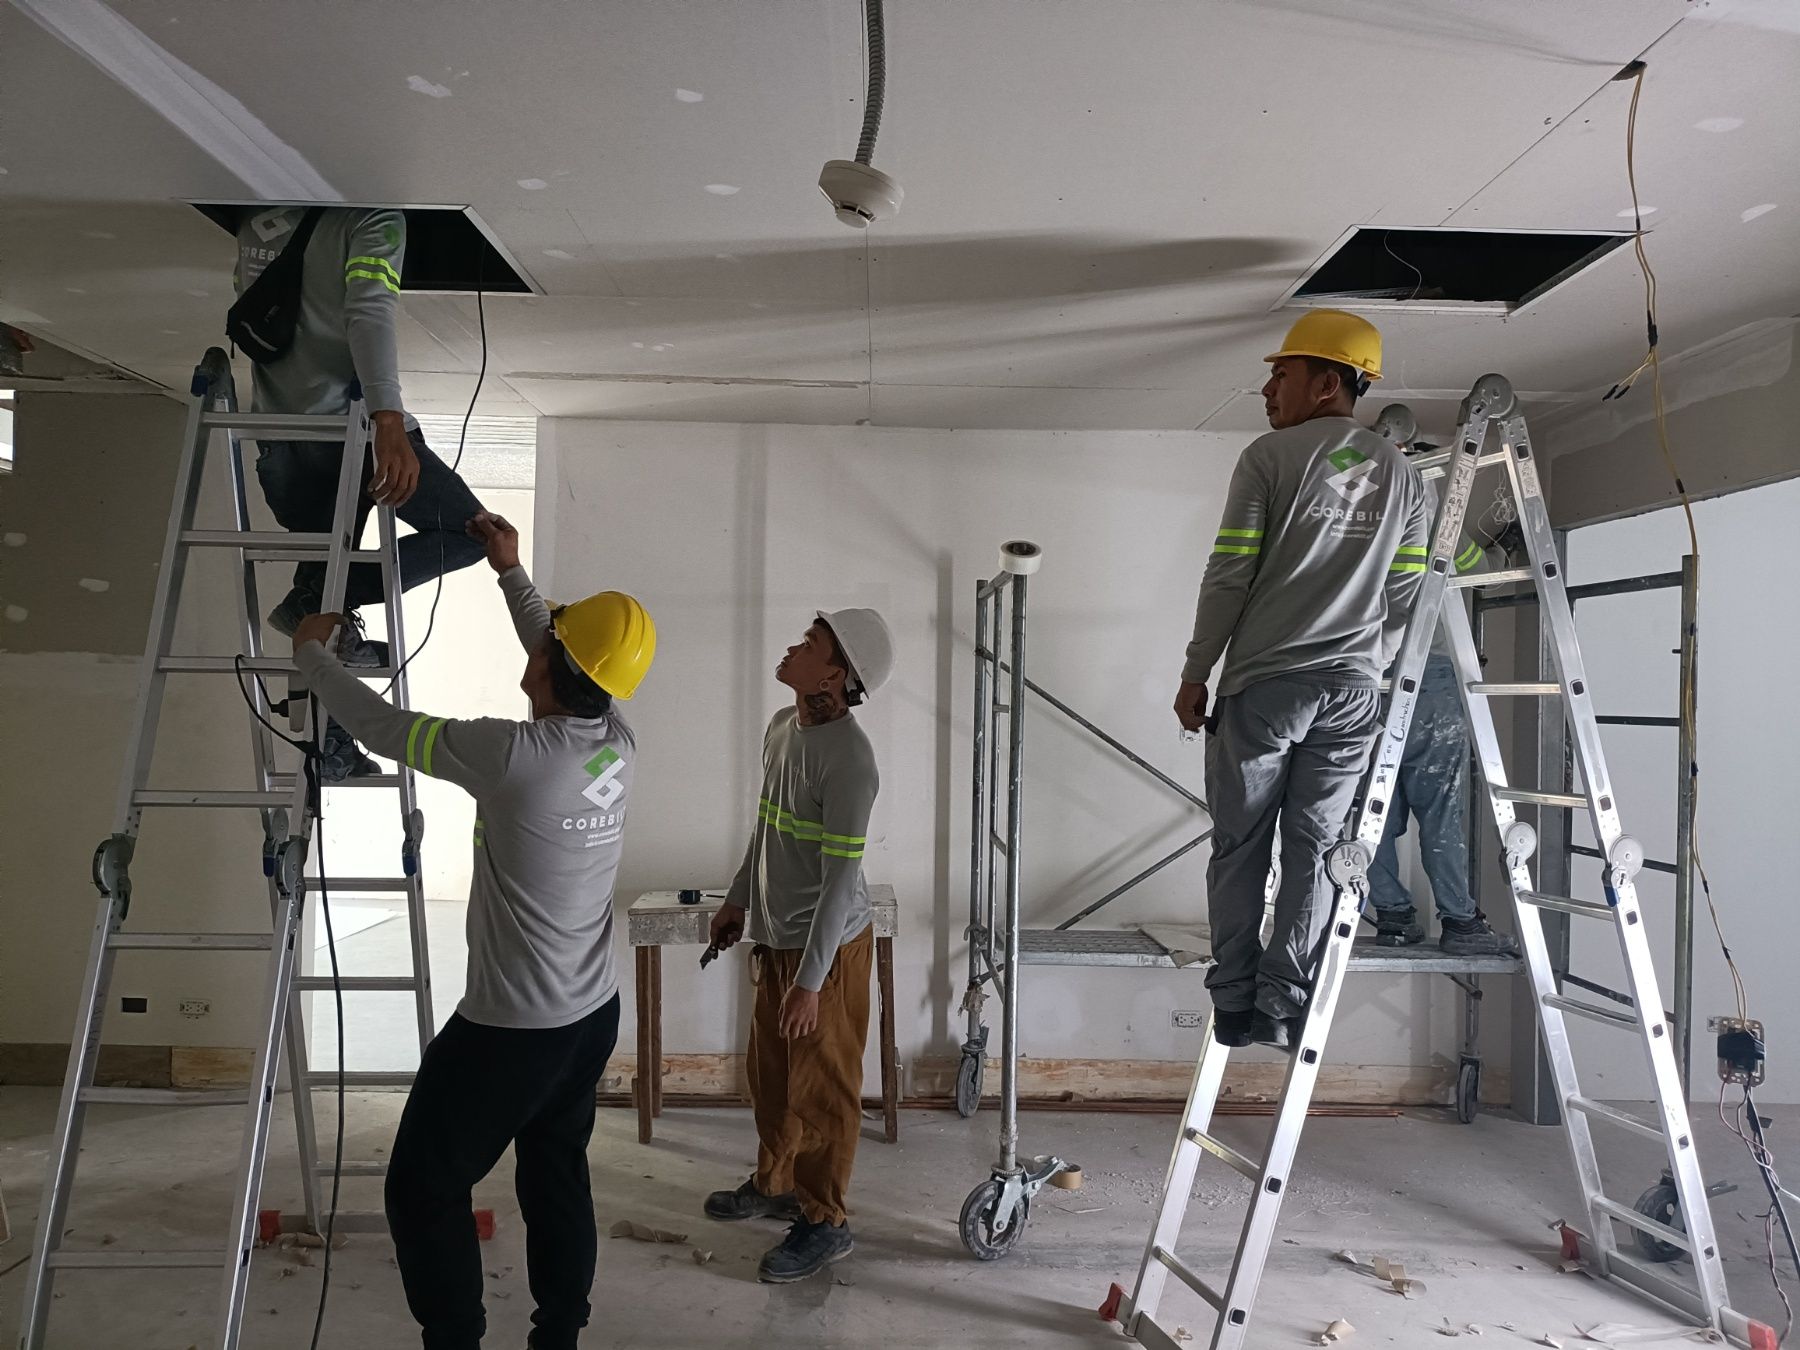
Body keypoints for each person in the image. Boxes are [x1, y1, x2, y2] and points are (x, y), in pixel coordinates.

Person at [289, 512, 655, 1350]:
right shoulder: (617, 742)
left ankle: (453, 1341)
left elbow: (383, 729)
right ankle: (558, 1335)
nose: (540, 643)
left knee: (420, 1188)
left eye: (549, 641)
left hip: (511, 1033)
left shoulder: (512, 755)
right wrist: (509, 573)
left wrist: (312, 658)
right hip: (590, 1017)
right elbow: (564, 649)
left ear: (553, 668)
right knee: (556, 1174)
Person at [1173, 311, 1430, 1050]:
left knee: (1240, 847)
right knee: (1315, 852)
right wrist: (1369, 667)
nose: (1266, 388)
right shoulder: (1405, 478)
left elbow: (1229, 575)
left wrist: (1197, 671)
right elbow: (1407, 597)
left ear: (1327, 383)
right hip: (1352, 694)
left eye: (1280, 374)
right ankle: (1285, 1001)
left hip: (1265, 689)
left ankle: (1234, 1003)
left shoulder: (1267, 459)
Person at [232, 205, 488, 776]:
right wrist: (389, 422)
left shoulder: (260, 221)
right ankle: (320, 598)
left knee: (328, 594)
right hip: (347, 434)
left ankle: (321, 603)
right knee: (473, 533)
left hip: (281, 449)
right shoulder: (374, 220)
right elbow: (368, 312)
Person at [702, 607, 894, 1283]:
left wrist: (812, 983)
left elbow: (840, 880)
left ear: (837, 673)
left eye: (810, 644)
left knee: (825, 1091)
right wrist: (738, 898)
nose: (794, 646)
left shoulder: (851, 763)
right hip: (779, 936)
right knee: (774, 1077)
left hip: (828, 950)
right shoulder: (783, 728)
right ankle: (776, 1183)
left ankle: (826, 1221)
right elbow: (768, 826)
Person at [1365, 414, 1519, 957]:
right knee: (1440, 805)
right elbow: (1466, 560)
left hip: (1365, 676)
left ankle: (1392, 914)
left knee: (1370, 807)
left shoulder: (1352, 493)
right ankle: (1459, 922)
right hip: (1426, 673)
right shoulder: (1425, 490)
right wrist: (1500, 554)